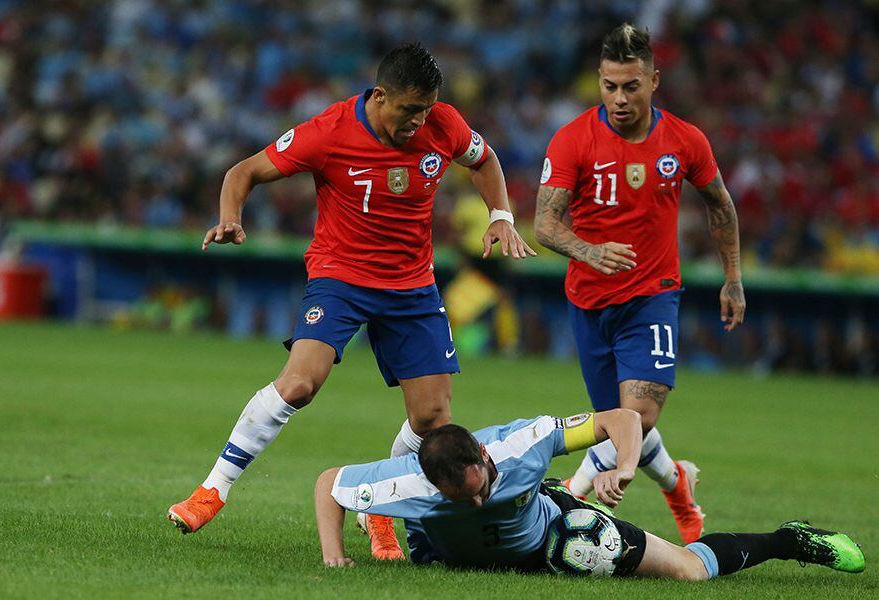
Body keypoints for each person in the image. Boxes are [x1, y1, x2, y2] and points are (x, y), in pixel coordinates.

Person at [167, 42, 536, 561]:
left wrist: (502, 214)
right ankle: (213, 489)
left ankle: (377, 506)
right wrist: (232, 215)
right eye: (409, 110)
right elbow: (242, 172)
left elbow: (485, 159)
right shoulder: (329, 131)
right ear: (381, 96)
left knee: (432, 418)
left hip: (411, 285)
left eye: (426, 110)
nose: (418, 122)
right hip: (342, 276)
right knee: (299, 383)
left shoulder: (444, 124)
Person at [533, 23, 746, 544]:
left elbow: (720, 204)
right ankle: (678, 486)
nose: (619, 98)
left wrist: (733, 279)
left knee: (639, 415)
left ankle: (572, 492)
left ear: (655, 80)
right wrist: (588, 250)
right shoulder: (573, 139)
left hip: (651, 296)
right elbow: (543, 224)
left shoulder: (685, 140)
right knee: (619, 426)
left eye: (631, 86)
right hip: (588, 303)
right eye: (609, 86)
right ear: (598, 82)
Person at [314, 416, 865, 578]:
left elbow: (624, 418)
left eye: (482, 491)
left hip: (551, 533)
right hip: (458, 556)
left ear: (484, 458)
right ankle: (376, 525)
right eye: (462, 500)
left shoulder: (521, 444)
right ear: (435, 486)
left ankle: (790, 539)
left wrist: (623, 467)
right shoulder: (410, 480)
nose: (477, 501)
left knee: (687, 572)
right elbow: (328, 483)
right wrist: (331, 554)